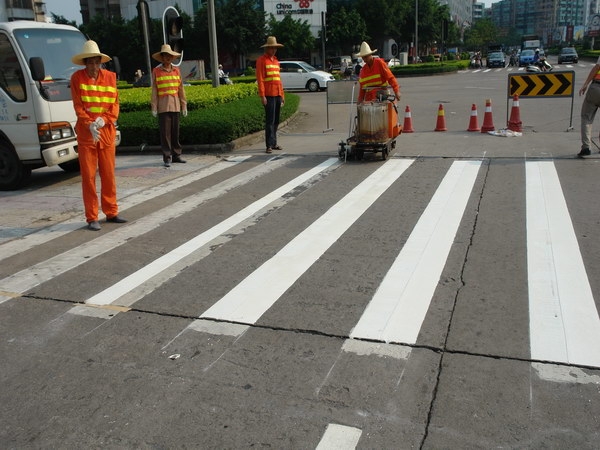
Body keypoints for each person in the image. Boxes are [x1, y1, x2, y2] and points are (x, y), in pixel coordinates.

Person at [70, 40, 126, 231]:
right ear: (85, 63)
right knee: (88, 177)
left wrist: (104, 120)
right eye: (90, 62)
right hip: (87, 135)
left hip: (106, 132)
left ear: (101, 62)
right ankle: (92, 216)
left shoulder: (111, 77)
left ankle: (111, 212)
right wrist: (89, 123)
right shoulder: (77, 78)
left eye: (96, 62)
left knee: (109, 175)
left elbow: (115, 105)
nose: (93, 66)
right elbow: (78, 105)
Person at [151, 44, 188, 167]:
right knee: (165, 133)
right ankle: (167, 157)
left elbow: (181, 89)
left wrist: (184, 106)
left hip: (175, 105)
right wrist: (154, 107)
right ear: (161, 58)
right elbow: (154, 90)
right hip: (163, 106)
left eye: (169, 56)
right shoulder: (156, 71)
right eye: (164, 56)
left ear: (172, 58)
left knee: (175, 132)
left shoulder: (176, 70)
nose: (167, 58)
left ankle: (177, 155)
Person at [256, 36, 285, 154]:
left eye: (275, 48)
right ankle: (268, 145)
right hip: (268, 95)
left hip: (277, 94)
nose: (274, 50)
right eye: (272, 48)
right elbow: (260, 79)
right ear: (267, 48)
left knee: (276, 120)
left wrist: (282, 96)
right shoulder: (261, 60)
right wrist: (262, 95)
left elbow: (279, 80)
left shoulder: (276, 61)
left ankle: (274, 143)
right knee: (270, 121)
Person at [577, 57, 600, 157]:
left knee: (587, 117)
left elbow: (596, 68)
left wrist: (585, 84)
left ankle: (586, 147)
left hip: (596, 88)